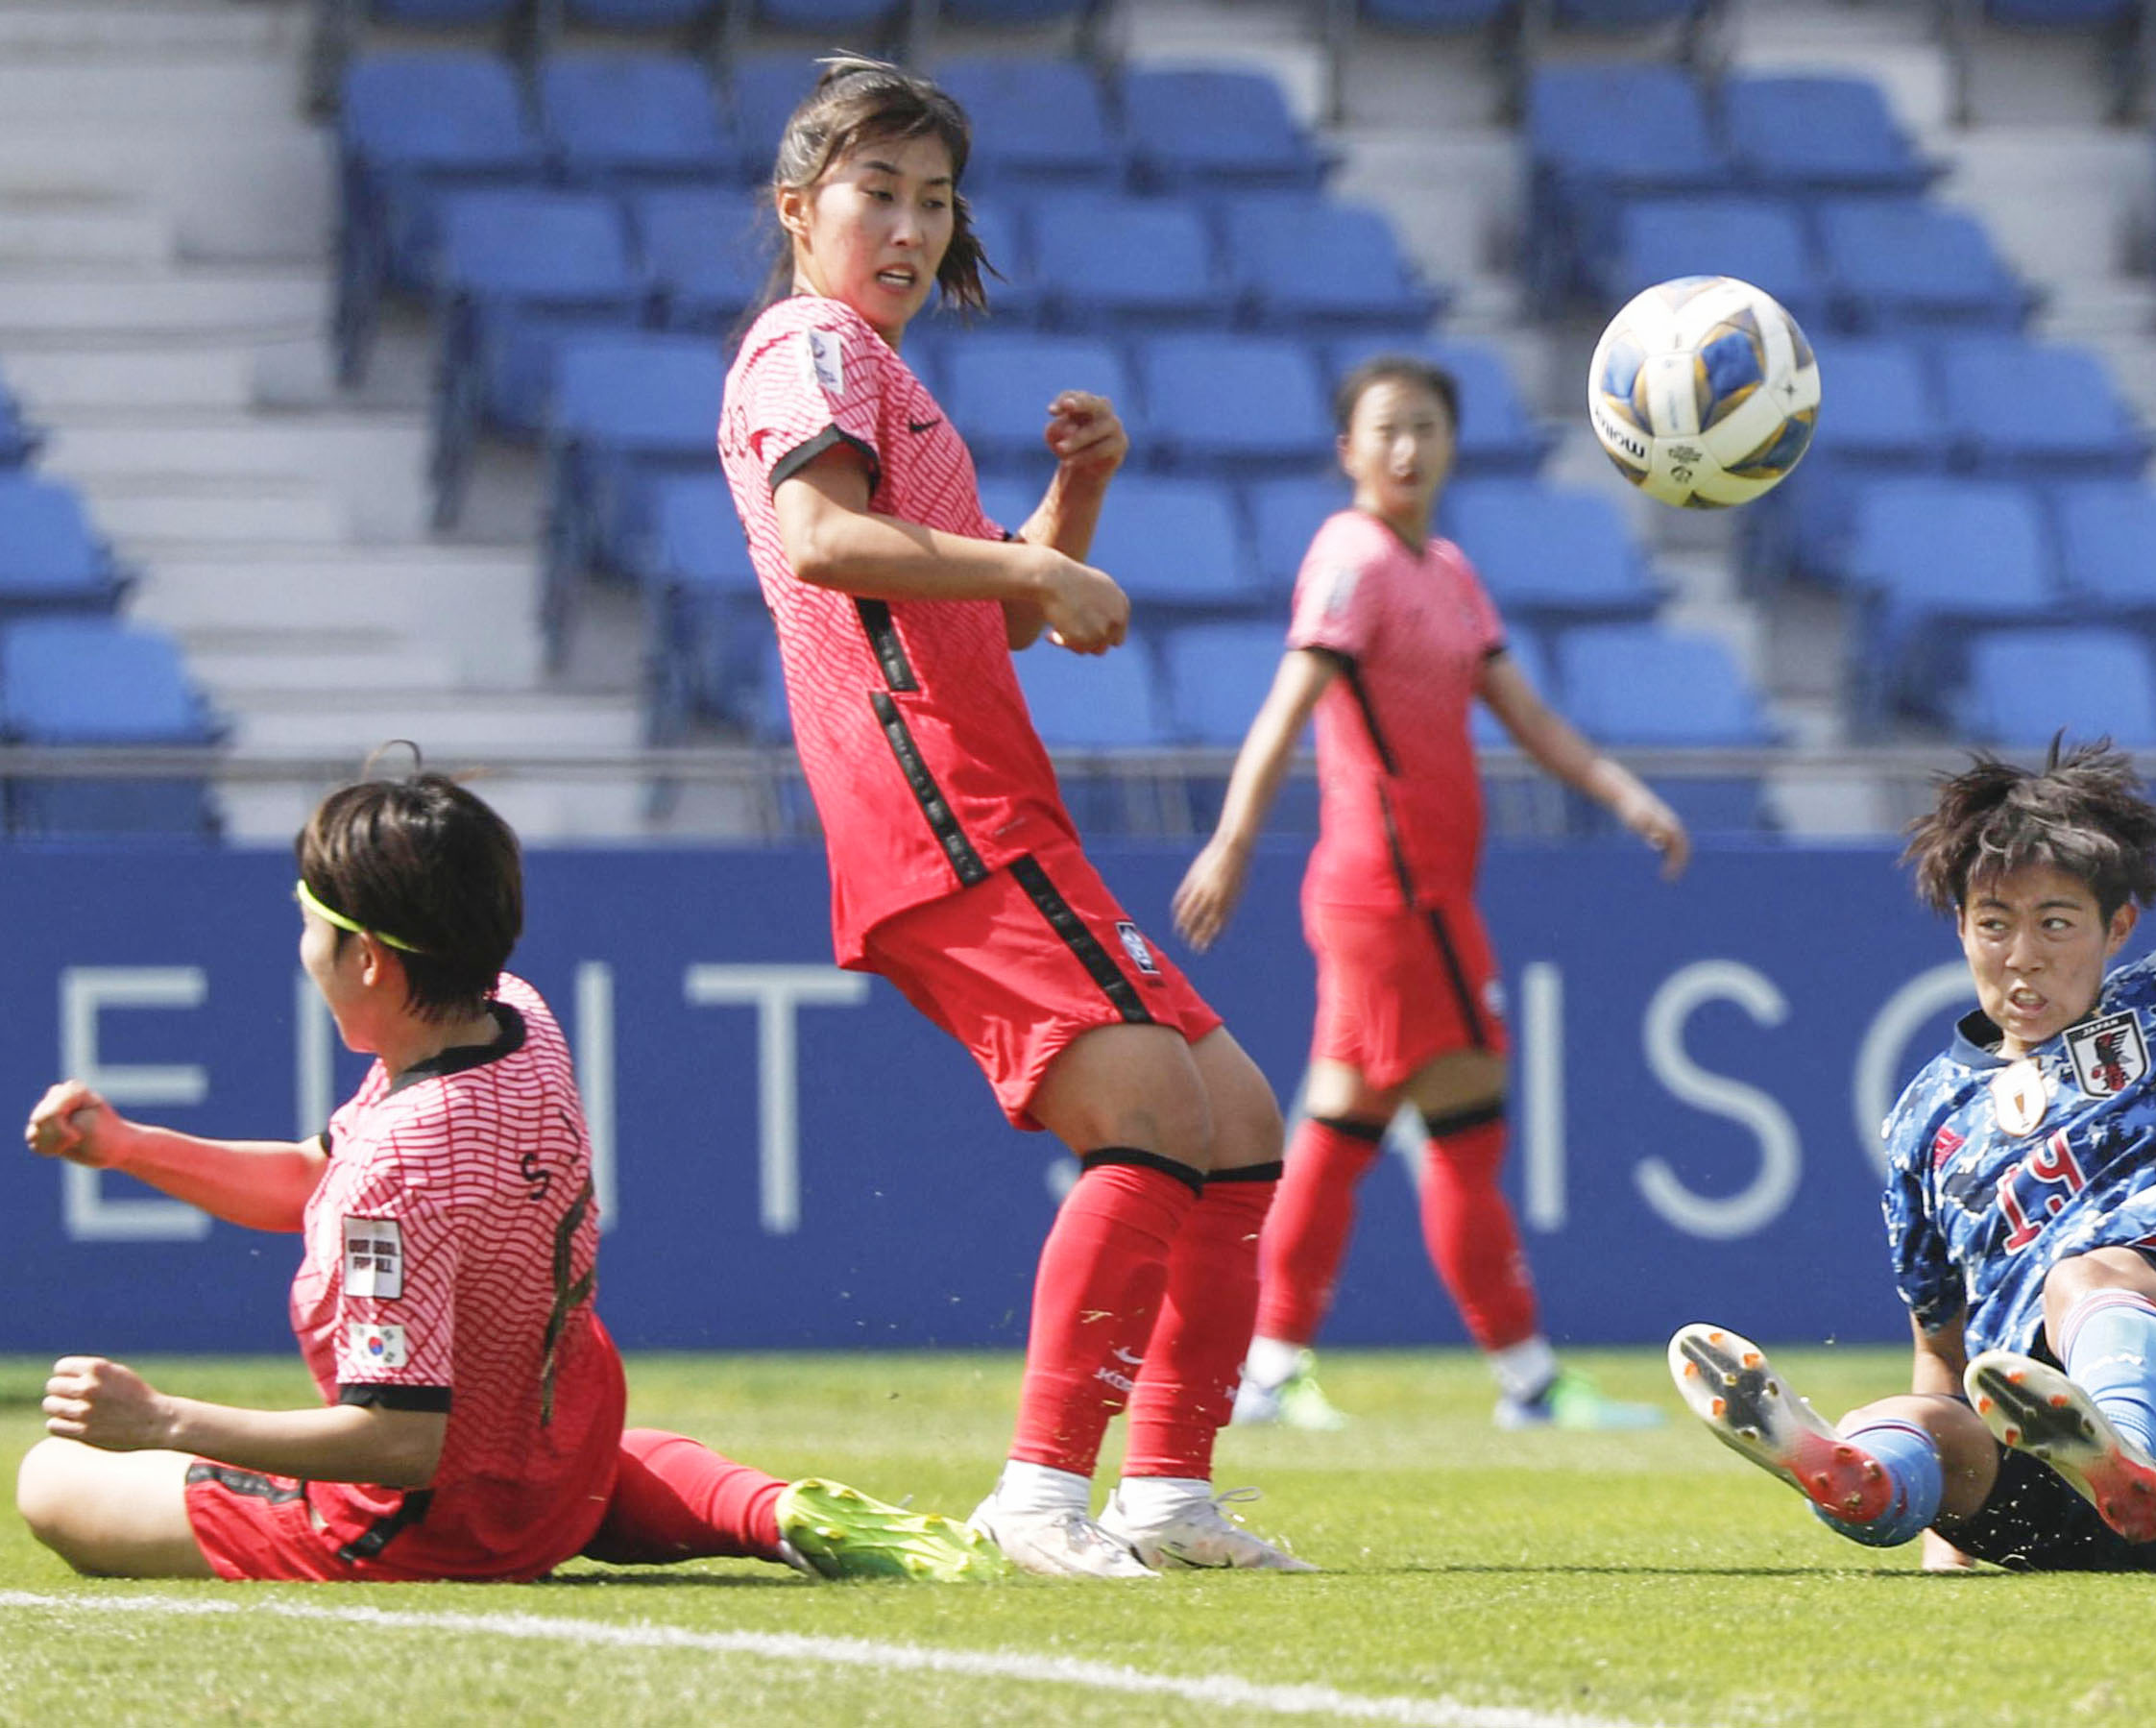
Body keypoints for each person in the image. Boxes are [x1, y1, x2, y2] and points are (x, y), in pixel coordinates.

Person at [719, 58, 1301, 1577]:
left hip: (989, 801)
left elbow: (991, 614)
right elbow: (824, 536)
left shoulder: (878, 371)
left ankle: (1165, 1491)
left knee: (1233, 1122)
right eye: (877, 194)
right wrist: (1034, 568)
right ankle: (1039, 1492)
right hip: (935, 802)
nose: (909, 228)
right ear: (797, 209)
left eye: (933, 200)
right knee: (1148, 1115)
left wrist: (1069, 505)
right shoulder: (807, 342)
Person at [14, 771, 994, 1585]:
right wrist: (132, 1145)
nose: (301, 947)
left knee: (53, 1477)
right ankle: (766, 1508)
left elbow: (398, 1441)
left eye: (311, 924)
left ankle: (685, 1514)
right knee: (565, 1462)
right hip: (561, 1455)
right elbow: (317, 1176)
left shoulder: (402, 1163)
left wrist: (163, 1419)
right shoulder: (514, 1018)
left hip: (426, 1526)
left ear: (368, 960)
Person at [1668, 738, 2156, 1572]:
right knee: (1918, 1420)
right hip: (2079, 1505)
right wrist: (1949, 1537)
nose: (2024, 954)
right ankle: (1859, 1477)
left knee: (2086, 1275)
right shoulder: (1925, 1116)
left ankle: (2115, 1432)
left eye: (2056, 922)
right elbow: (1941, 1350)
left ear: (2116, 924)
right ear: (1962, 929)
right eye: (1994, 925)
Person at [1170, 353, 1686, 1431]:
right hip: (1393, 899)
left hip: (1419, 898)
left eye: (1427, 429)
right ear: (1348, 450)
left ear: (1452, 446)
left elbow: (1526, 716)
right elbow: (1286, 708)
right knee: (1465, 1130)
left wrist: (1623, 792)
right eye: (1387, 429)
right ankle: (1526, 1380)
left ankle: (1267, 1368)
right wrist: (1231, 842)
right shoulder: (1352, 559)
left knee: (1343, 1124)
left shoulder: (1446, 567)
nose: (1408, 449)